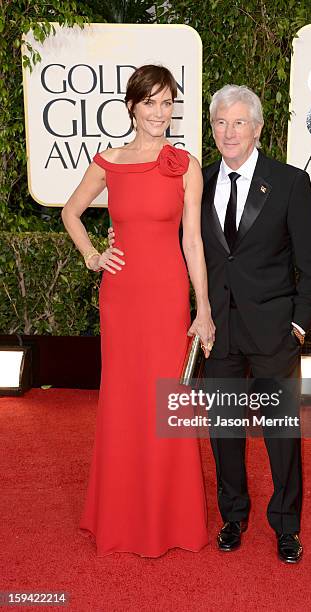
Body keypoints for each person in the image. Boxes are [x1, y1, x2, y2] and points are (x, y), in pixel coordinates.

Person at [108, 84, 311, 563]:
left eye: (239, 122)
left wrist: (299, 326)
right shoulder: (197, 180)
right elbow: (181, 245)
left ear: (258, 128)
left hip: (273, 332)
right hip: (217, 332)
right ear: (211, 129)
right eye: (220, 123)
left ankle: (286, 526)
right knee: (225, 431)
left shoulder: (290, 182)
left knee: (280, 434)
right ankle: (233, 517)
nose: (229, 132)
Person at [61, 64, 215, 558]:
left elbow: (193, 242)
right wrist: (92, 254)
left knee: (167, 402)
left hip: (168, 297)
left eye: (167, 102)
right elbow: (70, 211)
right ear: (132, 106)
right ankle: (123, 518)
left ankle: (171, 518)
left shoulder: (185, 165)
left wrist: (204, 308)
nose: (159, 112)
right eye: (150, 102)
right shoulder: (108, 161)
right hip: (122, 297)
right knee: (125, 401)